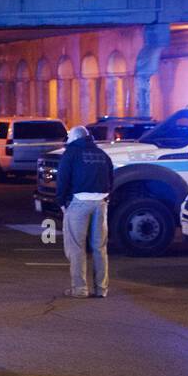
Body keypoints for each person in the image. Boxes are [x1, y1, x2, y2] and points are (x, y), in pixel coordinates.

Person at [56, 125, 113, 298]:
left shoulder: (71, 153)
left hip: (79, 203)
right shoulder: (102, 154)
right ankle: (101, 289)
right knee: (99, 247)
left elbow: (63, 179)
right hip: (101, 202)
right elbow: (111, 178)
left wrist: (61, 202)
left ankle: (80, 289)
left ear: (73, 138)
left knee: (76, 246)